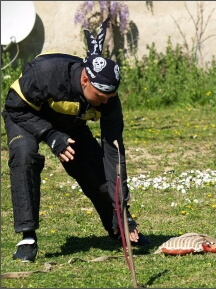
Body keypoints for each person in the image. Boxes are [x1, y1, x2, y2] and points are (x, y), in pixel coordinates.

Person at [2, 18, 150, 263]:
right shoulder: (45, 74)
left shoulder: (108, 100)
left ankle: (116, 226)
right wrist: (51, 136)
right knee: (24, 155)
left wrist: (122, 209)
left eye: (110, 97)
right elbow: (14, 107)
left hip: (69, 122)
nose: (105, 102)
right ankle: (27, 237)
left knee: (95, 169)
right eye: (100, 96)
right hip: (26, 114)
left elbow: (113, 151)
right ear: (85, 81)